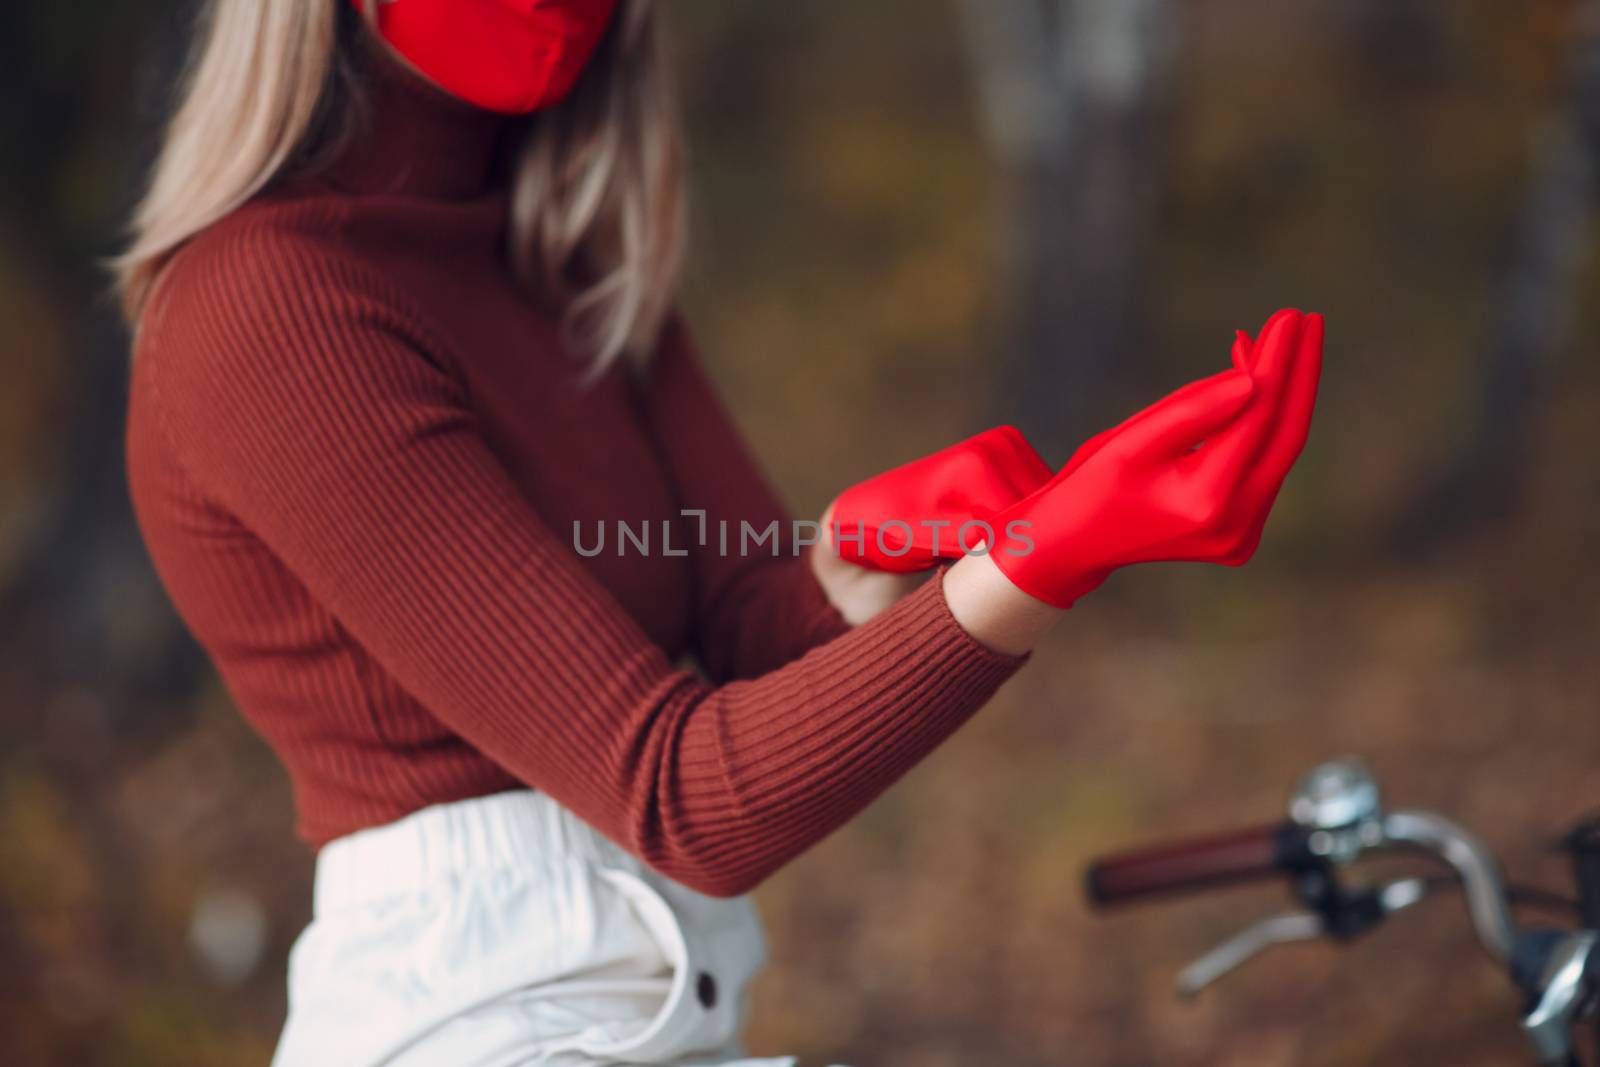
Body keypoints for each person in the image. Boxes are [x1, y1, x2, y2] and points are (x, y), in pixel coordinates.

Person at [113, 2, 1322, 1064]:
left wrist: (865, 559)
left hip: (666, 1008)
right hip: (479, 1021)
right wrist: (1043, 560)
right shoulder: (266, 307)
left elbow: (748, 622)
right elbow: (683, 795)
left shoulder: (563, 246)